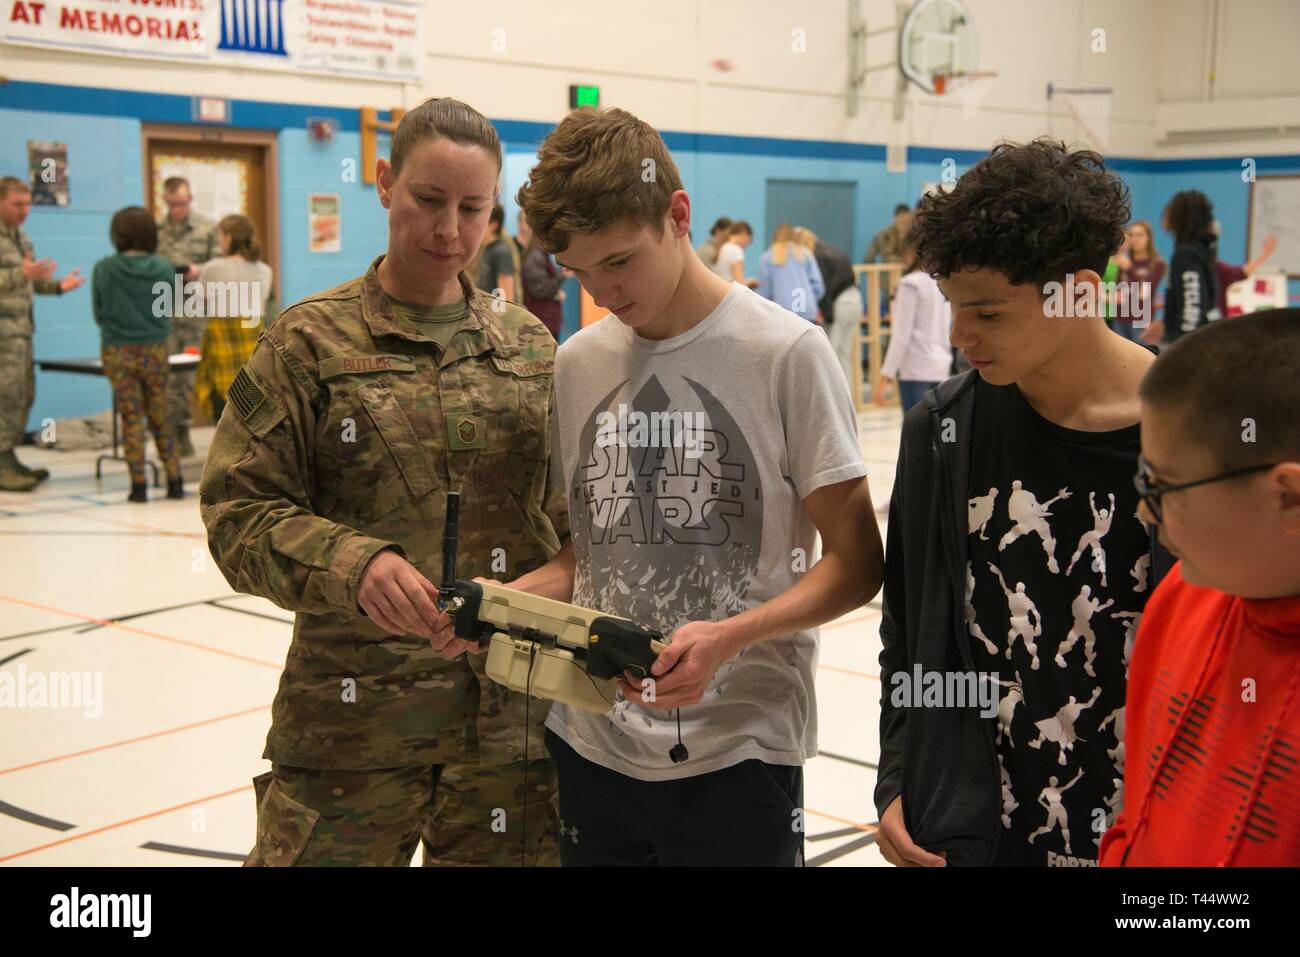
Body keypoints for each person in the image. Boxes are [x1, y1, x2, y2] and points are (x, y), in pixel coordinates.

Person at [199, 97, 568, 867]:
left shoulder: (530, 347)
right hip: (351, 731)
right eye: (429, 200)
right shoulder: (307, 342)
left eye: (474, 209)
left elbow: (574, 526)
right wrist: (350, 562)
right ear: (383, 182)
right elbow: (237, 512)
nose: (449, 231)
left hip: (507, 737)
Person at [512, 105, 884, 866]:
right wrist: (498, 604)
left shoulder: (787, 354)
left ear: (677, 215)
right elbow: (592, 557)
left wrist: (730, 636)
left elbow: (858, 564)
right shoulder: (576, 362)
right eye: (580, 272)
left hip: (738, 751)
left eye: (619, 261)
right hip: (593, 741)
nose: (602, 291)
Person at [875, 139, 1171, 868]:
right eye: (950, 306)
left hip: (1151, 832)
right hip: (981, 831)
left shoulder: (1189, 431)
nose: (958, 336)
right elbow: (909, 628)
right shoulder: (941, 433)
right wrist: (897, 780)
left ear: (1079, 290)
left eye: (988, 313)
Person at [1101, 310, 1300, 865]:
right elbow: (1137, 813)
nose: (1145, 508)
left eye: (1163, 486)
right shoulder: (1181, 597)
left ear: (1288, 496)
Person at [90, 207, 183, 502]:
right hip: (155, 348)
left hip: (118, 350)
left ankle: (139, 485)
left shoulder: (104, 268)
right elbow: (171, 307)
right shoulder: (164, 267)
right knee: (160, 414)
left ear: (117, 236)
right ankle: (175, 480)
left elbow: (98, 311)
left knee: (131, 417)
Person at [0, 175, 84, 492]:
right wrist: (17, 274)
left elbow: (29, 280)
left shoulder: (20, 238)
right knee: (4, 398)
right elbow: (16, 276)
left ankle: (8, 457)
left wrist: (57, 286)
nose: (24, 210)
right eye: (16, 204)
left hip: (20, 333)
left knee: (21, 396)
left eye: (27, 204)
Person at [156, 176, 219, 458]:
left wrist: (199, 270)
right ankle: (175, 433)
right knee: (169, 377)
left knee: (196, 376)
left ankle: (217, 434)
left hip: (196, 312)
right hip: (166, 311)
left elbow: (220, 265)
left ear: (190, 200)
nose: (176, 209)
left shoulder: (207, 228)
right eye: (171, 204)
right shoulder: (156, 231)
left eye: (181, 203)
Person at [193, 214, 273, 423]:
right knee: (250, 397)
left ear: (228, 238)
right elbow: (262, 304)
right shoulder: (265, 270)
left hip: (222, 338)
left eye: (220, 236)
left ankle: (224, 447)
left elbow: (199, 303)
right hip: (252, 337)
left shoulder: (212, 268)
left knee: (222, 400)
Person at [873, 234, 951, 413]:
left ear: (909, 253)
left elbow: (901, 334)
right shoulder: (942, 281)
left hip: (915, 369)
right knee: (938, 434)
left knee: (916, 436)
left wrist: (886, 374)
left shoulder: (910, 284)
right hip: (941, 366)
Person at [803, 227, 862, 399]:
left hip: (840, 304)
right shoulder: (833, 249)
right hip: (855, 300)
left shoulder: (817, 255)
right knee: (843, 354)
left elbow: (825, 288)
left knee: (830, 357)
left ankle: (831, 401)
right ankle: (846, 398)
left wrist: (826, 316)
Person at [1159, 190, 1223, 345]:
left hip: (1191, 349)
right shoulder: (1200, 250)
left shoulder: (1186, 255)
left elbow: (1192, 310)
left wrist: (1179, 345)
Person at [757, 223, 824, 323]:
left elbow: (764, 291)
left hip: (783, 312)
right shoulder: (805, 254)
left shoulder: (768, 257)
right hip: (807, 310)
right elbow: (818, 287)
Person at [1112, 220, 1165, 344]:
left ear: (1148, 237)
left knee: (1142, 358)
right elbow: (1118, 291)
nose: (1135, 239)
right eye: (1132, 235)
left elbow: (1145, 293)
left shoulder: (1157, 264)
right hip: (1120, 318)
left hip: (1141, 321)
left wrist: (1130, 269)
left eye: (1139, 235)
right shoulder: (1123, 260)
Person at [518, 217, 569, 340]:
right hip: (542, 323)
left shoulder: (539, 255)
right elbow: (539, 290)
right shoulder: (535, 256)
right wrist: (561, 277)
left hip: (545, 322)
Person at [474, 204, 518, 302]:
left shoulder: (501, 252)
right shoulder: (487, 248)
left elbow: (507, 300)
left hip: (495, 316)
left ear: (493, 225)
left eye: (481, 221)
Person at [710, 220, 757, 287]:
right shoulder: (735, 250)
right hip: (730, 294)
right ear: (745, 234)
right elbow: (739, 284)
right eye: (749, 241)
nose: (746, 245)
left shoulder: (723, 247)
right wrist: (749, 282)